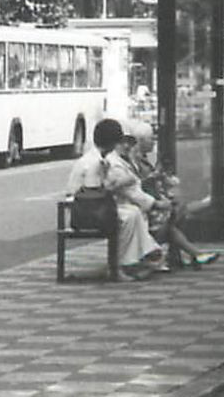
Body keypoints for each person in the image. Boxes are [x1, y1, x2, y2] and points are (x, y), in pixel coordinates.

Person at [64, 117, 164, 280]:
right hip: (85, 211)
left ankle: (135, 258)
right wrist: (122, 182)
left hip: (90, 206)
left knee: (133, 212)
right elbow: (96, 190)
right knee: (130, 216)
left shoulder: (100, 158)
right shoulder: (94, 162)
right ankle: (122, 265)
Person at [118, 121, 219, 269]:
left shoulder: (141, 159)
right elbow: (140, 186)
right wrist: (157, 182)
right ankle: (192, 254)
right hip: (144, 210)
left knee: (177, 212)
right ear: (141, 141)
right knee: (175, 216)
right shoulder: (134, 162)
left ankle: (185, 255)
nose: (154, 142)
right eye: (151, 139)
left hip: (147, 207)